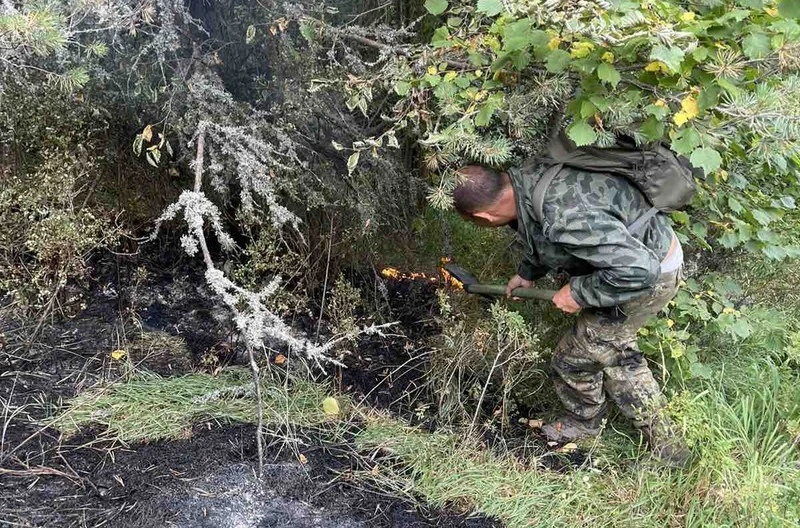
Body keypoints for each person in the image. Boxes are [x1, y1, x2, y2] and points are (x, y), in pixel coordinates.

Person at [452, 160, 691, 467]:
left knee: (609, 354)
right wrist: (527, 273)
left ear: (482, 216)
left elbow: (638, 271)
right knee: (577, 356)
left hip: (651, 272)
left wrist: (579, 293)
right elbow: (541, 234)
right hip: (634, 258)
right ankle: (585, 422)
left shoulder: (563, 216)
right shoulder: (525, 180)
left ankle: (670, 451)